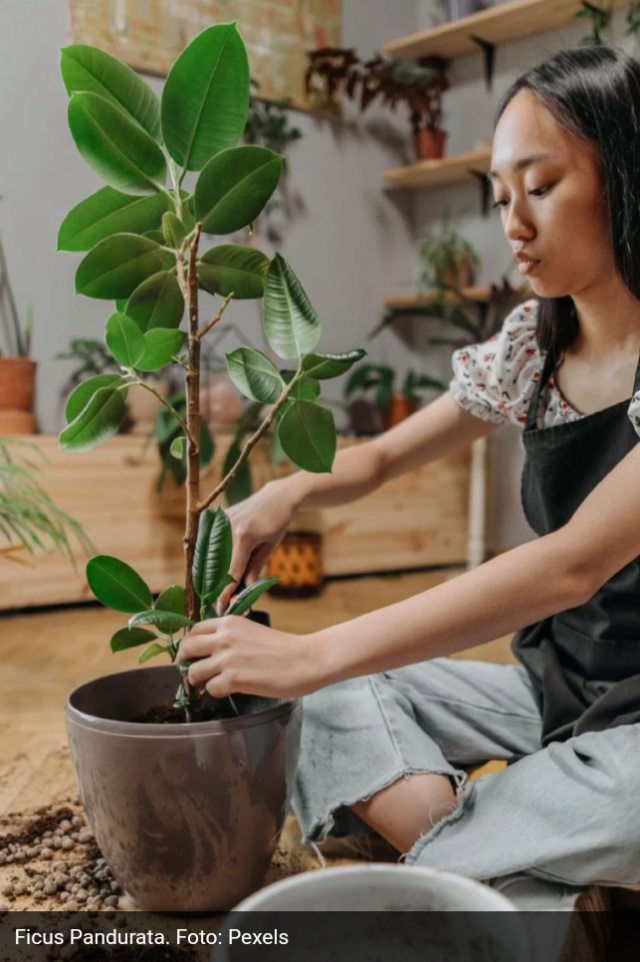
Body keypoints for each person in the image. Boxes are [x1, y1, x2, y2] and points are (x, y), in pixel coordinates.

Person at [178, 46, 640, 889]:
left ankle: (473, 852)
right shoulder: (532, 350)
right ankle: (498, 853)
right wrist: (286, 491)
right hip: (559, 700)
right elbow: (386, 456)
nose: (513, 223)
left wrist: (313, 649)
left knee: (326, 667)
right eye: (501, 197)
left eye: (540, 187)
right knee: (331, 693)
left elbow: (572, 567)